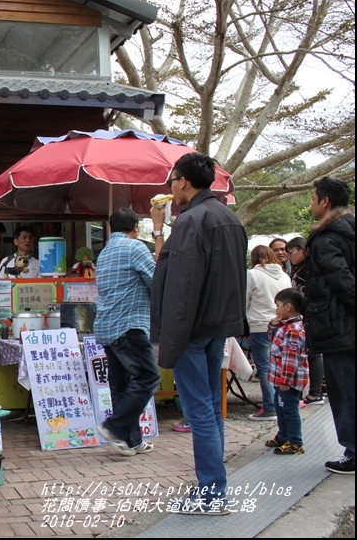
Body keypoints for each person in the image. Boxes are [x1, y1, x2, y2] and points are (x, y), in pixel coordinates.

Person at [150, 152, 247, 514]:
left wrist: (171, 339)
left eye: (171, 180)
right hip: (217, 326)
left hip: (191, 329)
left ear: (184, 182)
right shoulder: (229, 217)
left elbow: (181, 286)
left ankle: (212, 493)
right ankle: (214, 486)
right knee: (210, 408)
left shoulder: (192, 220)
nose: (170, 186)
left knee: (199, 411)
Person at [94, 208, 160, 456]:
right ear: (135, 228)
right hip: (128, 325)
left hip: (106, 327)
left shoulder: (104, 253)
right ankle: (115, 427)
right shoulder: (136, 248)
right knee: (148, 378)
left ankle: (131, 441)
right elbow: (156, 283)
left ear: (111, 228)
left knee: (121, 387)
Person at [303, 176, 355, 475]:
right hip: (346, 324)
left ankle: (352, 451)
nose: (311, 204)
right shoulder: (349, 230)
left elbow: (342, 281)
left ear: (325, 201)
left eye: (313, 198)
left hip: (337, 326)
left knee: (344, 390)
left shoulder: (327, 238)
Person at [246, 245, 292, 421]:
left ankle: (270, 407)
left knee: (264, 367)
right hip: (282, 324)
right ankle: (282, 405)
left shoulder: (253, 274)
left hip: (260, 325)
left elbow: (245, 298)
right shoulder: (285, 276)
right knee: (280, 366)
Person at [264, 288, 308, 455]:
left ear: (288, 307)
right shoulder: (285, 324)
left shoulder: (294, 329)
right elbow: (273, 339)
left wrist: (285, 380)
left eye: (278, 305)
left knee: (289, 410)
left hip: (287, 381)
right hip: (279, 380)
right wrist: (272, 325)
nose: (276, 309)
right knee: (280, 407)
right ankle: (283, 436)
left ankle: (295, 441)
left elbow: (290, 357)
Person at [287, 236, 325, 407]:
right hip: (306, 315)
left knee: (314, 353)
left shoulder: (308, 269)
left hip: (310, 315)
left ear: (302, 249)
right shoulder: (300, 269)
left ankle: (316, 392)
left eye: (291, 251)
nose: (289, 256)